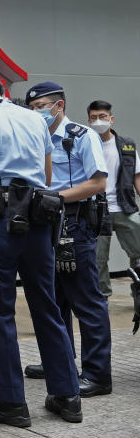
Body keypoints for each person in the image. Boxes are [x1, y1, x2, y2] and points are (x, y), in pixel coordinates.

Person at [0, 73, 81, 427]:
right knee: (47, 306)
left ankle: (10, 403)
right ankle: (68, 397)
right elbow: (49, 177)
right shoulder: (35, 119)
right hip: (40, 221)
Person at [24, 82, 112, 397]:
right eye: (32, 108)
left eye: (42, 107)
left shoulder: (81, 136)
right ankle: (59, 362)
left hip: (74, 221)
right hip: (45, 223)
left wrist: (54, 196)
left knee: (86, 300)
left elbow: (98, 183)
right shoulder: (33, 136)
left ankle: (98, 374)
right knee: (54, 298)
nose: (36, 112)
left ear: (59, 105)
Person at [86, 100, 140, 298]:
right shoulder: (85, 144)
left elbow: (137, 176)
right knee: (97, 259)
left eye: (102, 117)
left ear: (111, 119)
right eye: (94, 117)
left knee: (139, 254)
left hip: (125, 208)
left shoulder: (127, 145)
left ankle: (139, 294)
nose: (98, 121)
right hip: (97, 211)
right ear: (88, 120)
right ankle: (102, 299)